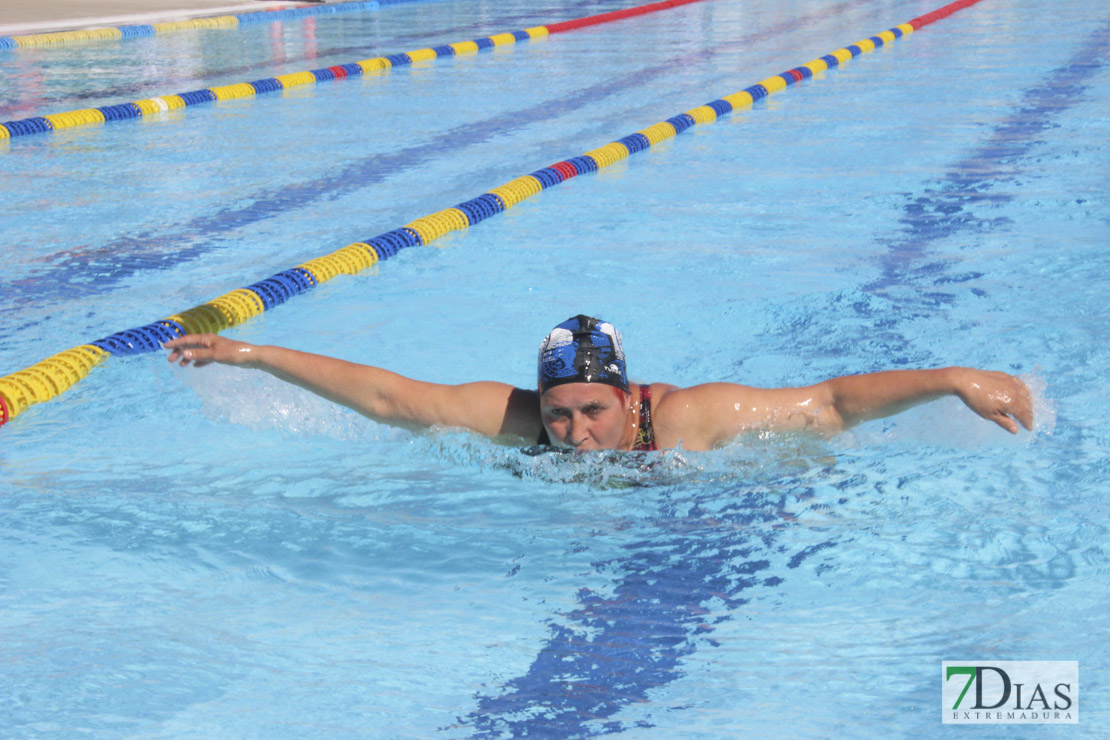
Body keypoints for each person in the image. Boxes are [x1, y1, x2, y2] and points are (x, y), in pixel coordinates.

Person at [165, 314, 1033, 452]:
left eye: (591, 411)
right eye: (559, 414)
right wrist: (256, 355)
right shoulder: (513, 420)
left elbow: (833, 404)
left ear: (630, 399)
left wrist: (951, 378)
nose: (575, 434)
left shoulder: (694, 418)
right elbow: (392, 397)